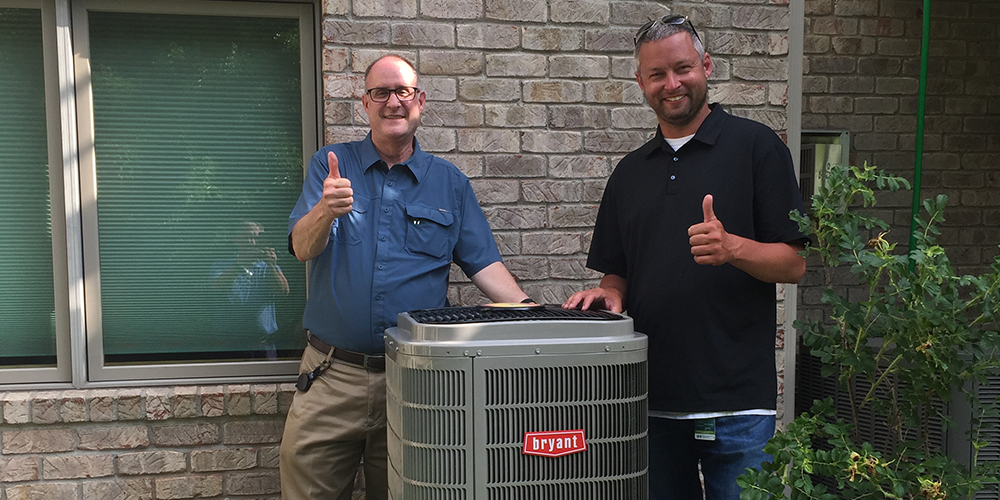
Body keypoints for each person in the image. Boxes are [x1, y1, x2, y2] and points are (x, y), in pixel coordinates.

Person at [562, 16, 808, 500]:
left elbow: (793, 264)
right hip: (650, 401)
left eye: (682, 68)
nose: (671, 84)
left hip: (736, 405)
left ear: (707, 66)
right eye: (657, 74)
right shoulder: (630, 173)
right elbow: (619, 273)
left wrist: (732, 248)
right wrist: (607, 293)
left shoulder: (757, 148)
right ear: (641, 82)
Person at [279, 54, 531, 500]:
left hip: (415, 381)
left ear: (421, 101)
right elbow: (302, 247)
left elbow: (486, 266)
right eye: (380, 92)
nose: (392, 101)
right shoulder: (330, 165)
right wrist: (325, 210)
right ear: (365, 103)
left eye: (403, 91)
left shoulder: (449, 183)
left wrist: (534, 315)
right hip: (332, 376)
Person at [210, 220, 289, 360]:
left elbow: (283, 292)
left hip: (263, 343)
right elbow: (215, 288)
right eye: (247, 237)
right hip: (227, 343)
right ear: (236, 239)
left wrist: (272, 265)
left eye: (257, 238)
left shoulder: (267, 266)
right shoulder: (222, 264)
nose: (252, 242)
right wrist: (239, 265)